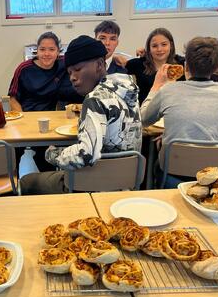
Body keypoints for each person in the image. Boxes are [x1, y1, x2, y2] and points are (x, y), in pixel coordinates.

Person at [20, 35, 142, 195]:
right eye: (69, 73)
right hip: (125, 183)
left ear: (99, 64)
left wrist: (52, 154)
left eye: (77, 70)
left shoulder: (94, 100)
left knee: (27, 181)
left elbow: (86, 155)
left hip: (94, 184)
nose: (72, 77)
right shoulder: (126, 91)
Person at [141, 37, 218, 187]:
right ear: (217, 67)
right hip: (214, 175)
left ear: (185, 65)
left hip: (173, 171)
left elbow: (143, 119)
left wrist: (156, 86)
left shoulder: (169, 90)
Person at [8, 32, 80, 172]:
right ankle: (9, 189)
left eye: (51, 49)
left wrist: (117, 58)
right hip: (26, 118)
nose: (46, 54)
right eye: (42, 49)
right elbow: (13, 98)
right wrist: (23, 120)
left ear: (58, 52)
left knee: (47, 159)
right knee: (12, 153)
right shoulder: (24, 68)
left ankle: (49, 187)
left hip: (49, 122)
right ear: (37, 50)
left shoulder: (63, 64)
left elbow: (85, 58)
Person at [118, 28, 185, 104]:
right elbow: (112, 65)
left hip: (174, 110)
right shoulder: (139, 64)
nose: (159, 49)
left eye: (164, 44)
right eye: (154, 46)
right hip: (147, 111)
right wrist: (114, 57)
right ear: (149, 48)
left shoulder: (181, 63)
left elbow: (198, 59)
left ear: (171, 45)